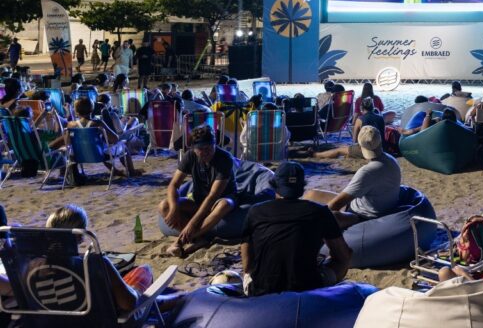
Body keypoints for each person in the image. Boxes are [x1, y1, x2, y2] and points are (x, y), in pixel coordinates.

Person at [240, 162, 349, 295]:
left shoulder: (255, 212)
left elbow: (247, 265)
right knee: (340, 261)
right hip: (308, 288)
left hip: (262, 290)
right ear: (302, 187)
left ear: (274, 185)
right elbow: (343, 255)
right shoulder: (320, 211)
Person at [44, 205, 154, 312]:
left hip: (56, 320)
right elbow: (128, 304)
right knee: (144, 270)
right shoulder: (95, 263)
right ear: (80, 235)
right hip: (100, 319)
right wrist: (134, 291)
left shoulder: (36, 266)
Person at [159, 125, 240, 257]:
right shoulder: (190, 156)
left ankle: (183, 240)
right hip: (198, 200)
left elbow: (213, 196)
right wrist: (174, 208)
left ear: (215, 144)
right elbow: (173, 184)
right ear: (193, 148)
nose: (205, 152)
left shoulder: (225, 159)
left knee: (225, 204)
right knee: (164, 205)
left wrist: (192, 224)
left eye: (209, 148)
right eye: (201, 149)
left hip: (219, 200)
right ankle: (200, 239)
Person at [305, 126, 402, 229]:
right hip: (378, 209)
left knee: (331, 217)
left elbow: (335, 205)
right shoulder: (392, 160)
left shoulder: (367, 172)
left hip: (363, 216)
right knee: (312, 194)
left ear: (359, 146)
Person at [315, 97, 388, 159]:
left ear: (361, 108)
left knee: (339, 150)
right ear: (373, 107)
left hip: (367, 150)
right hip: (380, 148)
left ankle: (315, 155)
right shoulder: (381, 118)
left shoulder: (360, 120)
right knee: (344, 147)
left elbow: (355, 140)